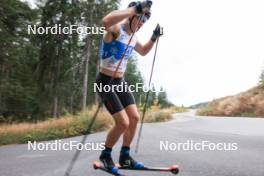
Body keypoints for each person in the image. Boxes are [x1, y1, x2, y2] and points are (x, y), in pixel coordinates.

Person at [95, 0, 163, 172]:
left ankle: (125, 157)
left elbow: (143, 51)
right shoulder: (116, 29)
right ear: (131, 15)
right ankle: (105, 155)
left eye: (144, 22)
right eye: (139, 19)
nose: (141, 24)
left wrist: (154, 38)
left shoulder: (133, 38)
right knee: (122, 123)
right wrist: (135, 8)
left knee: (134, 118)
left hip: (120, 82)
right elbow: (106, 21)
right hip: (105, 82)